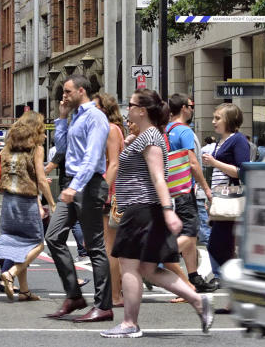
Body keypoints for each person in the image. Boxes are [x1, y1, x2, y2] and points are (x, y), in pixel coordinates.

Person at [101, 89, 213, 338]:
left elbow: (158, 177)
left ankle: (130, 323)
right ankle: (198, 301)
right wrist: (130, 144)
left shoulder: (150, 137)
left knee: (129, 266)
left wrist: (167, 210)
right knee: (149, 269)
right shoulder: (146, 136)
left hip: (142, 209)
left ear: (142, 111)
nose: (126, 108)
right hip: (145, 209)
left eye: (130, 104)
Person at [44, 75, 113, 322]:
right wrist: (61, 118)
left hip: (88, 184)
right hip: (73, 183)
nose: (63, 96)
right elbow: (62, 150)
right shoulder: (76, 117)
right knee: (53, 236)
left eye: (67, 92)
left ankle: (103, 305)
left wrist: (75, 187)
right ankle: (73, 295)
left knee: (95, 246)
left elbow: (93, 157)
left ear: (81, 91)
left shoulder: (96, 117)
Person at [0, 111, 55, 303]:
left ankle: (24, 291)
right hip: (26, 202)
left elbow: (3, 168)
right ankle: (11, 273)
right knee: (37, 244)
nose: (43, 135)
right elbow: (41, 181)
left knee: (19, 245)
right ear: (35, 130)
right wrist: (51, 203)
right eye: (42, 131)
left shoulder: (9, 146)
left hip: (8, 201)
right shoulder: (36, 148)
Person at [166, 94, 216, 294]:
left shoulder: (166, 130)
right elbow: (193, 163)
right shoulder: (184, 131)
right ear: (184, 108)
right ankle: (156, 261)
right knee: (191, 231)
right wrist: (206, 187)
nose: (192, 109)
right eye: (191, 106)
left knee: (188, 235)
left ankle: (193, 277)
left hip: (169, 190)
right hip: (185, 189)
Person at [201, 103, 250, 278]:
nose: (213, 121)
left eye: (218, 118)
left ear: (229, 120)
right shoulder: (222, 141)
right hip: (220, 198)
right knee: (222, 243)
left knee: (216, 244)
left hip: (230, 198)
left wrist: (214, 162)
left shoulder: (238, 140)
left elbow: (242, 171)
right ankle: (228, 277)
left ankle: (227, 277)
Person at [92, 92, 126, 308]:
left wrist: (104, 191)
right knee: (109, 245)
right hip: (110, 191)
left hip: (110, 193)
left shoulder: (111, 130)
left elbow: (114, 164)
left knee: (109, 246)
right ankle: (117, 290)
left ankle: (115, 295)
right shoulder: (108, 129)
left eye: (96, 107)